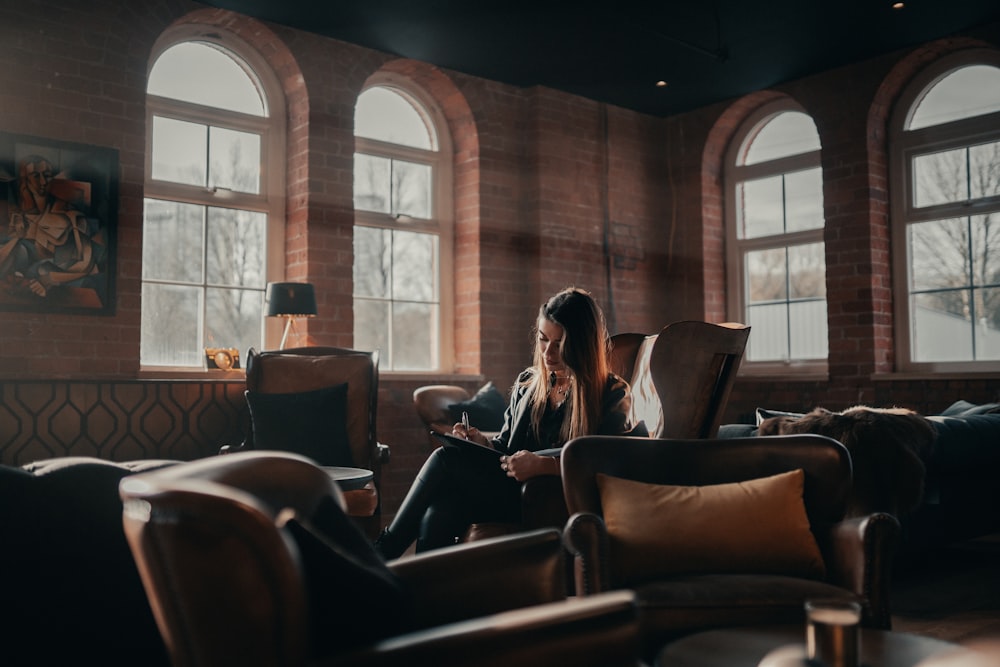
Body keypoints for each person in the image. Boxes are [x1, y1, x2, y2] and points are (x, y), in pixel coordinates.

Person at [374, 286, 637, 559]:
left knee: (444, 460)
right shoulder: (528, 384)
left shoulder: (611, 392)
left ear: (582, 344)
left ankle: (382, 553)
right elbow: (505, 444)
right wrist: (481, 442)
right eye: (543, 339)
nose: (547, 353)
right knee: (442, 505)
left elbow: (611, 461)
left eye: (559, 344)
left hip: (552, 498)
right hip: (510, 490)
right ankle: (424, 590)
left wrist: (544, 466)